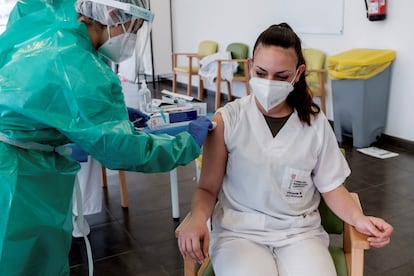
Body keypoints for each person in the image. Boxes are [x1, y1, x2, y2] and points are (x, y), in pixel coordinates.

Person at [0, 0, 212, 275]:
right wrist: (188, 143)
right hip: (16, 179)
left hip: (15, 156)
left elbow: (46, 95)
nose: (132, 37)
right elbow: (123, 150)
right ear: (112, 13)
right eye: (133, 27)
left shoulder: (48, 19)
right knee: (21, 261)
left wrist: (105, 113)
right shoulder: (81, 67)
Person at [177, 23, 393, 276]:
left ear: (298, 73)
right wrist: (196, 219)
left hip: (300, 232)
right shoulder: (229, 119)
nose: (269, 83)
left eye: (281, 76)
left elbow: (332, 187)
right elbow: (207, 188)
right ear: (249, 67)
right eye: (261, 72)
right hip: (239, 232)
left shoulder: (314, 122)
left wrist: (360, 219)